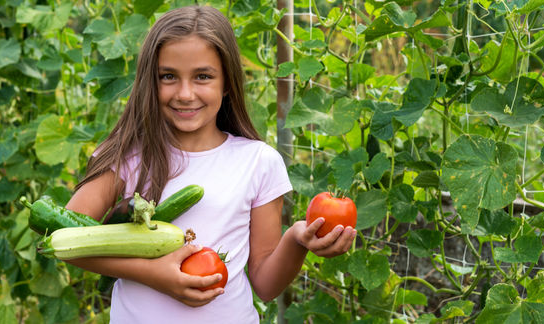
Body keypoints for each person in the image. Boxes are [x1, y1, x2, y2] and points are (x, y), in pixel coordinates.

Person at [64, 5, 357, 323]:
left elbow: (265, 284)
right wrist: (152, 274)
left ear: (227, 82)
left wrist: (297, 240)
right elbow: (65, 237)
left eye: (203, 76)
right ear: (151, 80)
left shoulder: (258, 162)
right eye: (168, 77)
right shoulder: (128, 156)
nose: (185, 93)